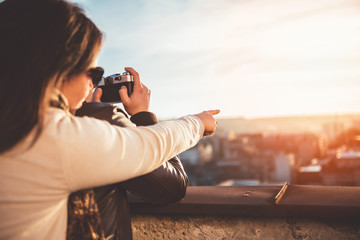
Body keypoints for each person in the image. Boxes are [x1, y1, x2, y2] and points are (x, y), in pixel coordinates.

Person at [0, 0, 219, 239]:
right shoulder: (52, 137)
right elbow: (151, 146)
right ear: (57, 68)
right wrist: (197, 121)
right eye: (93, 73)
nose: (92, 84)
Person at [67, 84, 190, 240]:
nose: (92, 84)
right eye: (91, 74)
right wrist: (143, 116)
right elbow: (173, 187)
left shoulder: (34, 122)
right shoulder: (103, 120)